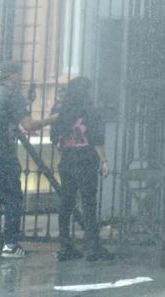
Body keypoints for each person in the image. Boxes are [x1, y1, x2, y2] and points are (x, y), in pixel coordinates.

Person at [0, 61, 56, 259]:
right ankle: (10, 245)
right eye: (19, 74)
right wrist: (54, 119)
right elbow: (29, 126)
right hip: (2, 155)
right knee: (12, 199)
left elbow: (0, 119)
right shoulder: (13, 96)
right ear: (12, 75)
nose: (22, 78)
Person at [51, 77, 114, 262]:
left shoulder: (61, 111)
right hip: (85, 159)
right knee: (88, 203)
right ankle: (92, 247)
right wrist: (104, 160)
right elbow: (95, 138)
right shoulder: (89, 111)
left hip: (67, 159)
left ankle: (65, 245)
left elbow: (54, 137)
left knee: (66, 202)